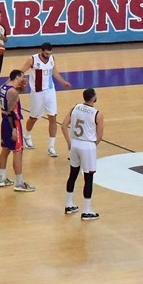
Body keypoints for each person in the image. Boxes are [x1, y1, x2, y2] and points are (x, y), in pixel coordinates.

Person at [20, 42, 72, 156]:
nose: (48, 55)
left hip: (50, 91)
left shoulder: (52, 58)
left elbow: (54, 71)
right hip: (37, 92)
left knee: (53, 117)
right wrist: (20, 82)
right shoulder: (32, 59)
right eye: (46, 53)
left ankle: (51, 146)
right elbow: (21, 72)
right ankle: (26, 135)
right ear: (42, 51)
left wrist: (63, 82)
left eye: (50, 53)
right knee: (33, 118)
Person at [64, 88, 102, 221]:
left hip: (75, 143)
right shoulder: (97, 114)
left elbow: (63, 125)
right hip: (87, 146)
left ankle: (68, 205)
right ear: (94, 98)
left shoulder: (75, 107)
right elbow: (100, 136)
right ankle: (86, 211)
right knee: (88, 178)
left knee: (73, 174)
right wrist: (92, 146)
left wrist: (69, 142)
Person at [0, 70, 34, 192]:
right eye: (22, 77)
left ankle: (1, 178)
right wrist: (13, 129)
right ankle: (19, 183)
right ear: (17, 77)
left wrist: (20, 87)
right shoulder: (12, 92)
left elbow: (8, 95)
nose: (23, 79)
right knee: (18, 151)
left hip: (4, 121)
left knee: (5, 149)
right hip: (13, 123)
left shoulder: (3, 88)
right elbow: (11, 111)